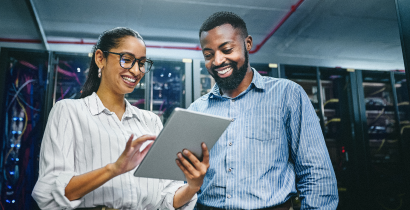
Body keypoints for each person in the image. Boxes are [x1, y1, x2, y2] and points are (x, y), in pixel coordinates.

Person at [32, 27, 209, 210]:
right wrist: (114, 169)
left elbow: (165, 199)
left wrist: (193, 185)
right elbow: (51, 193)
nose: (136, 70)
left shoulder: (151, 121)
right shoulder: (69, 112)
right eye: (127, 60)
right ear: (100, 58)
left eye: (141, 63)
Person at [188, 11, 338, 209]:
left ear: (247, 43)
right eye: (208, 55)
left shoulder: (288, 95)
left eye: (226, 49)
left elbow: (316, 175)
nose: (217, 61)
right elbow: (181, 180)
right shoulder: (197, 109)